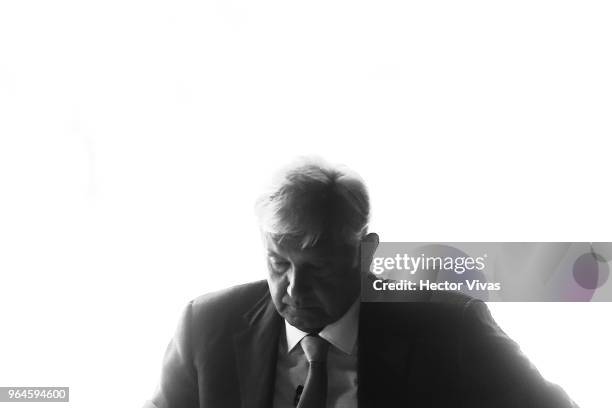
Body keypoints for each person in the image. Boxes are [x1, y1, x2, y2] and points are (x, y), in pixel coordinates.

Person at [144, 157, 578, 408]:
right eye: (279, 263)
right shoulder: (207, 327)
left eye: (319, 268)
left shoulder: (449, 329)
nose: (294, 289)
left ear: (366, 253)